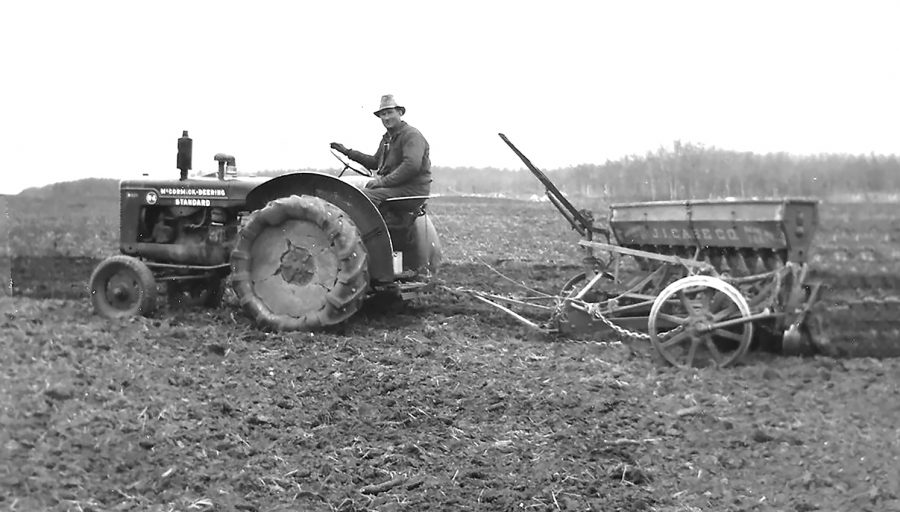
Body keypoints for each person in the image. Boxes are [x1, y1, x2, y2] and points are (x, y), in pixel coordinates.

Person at [330, 94, 431, 206]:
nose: (387, 118)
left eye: (390, 112)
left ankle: (358, 223)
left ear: (400, 113)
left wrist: (381, 182)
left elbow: (411, 166)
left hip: (412, 190)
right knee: (351, 190)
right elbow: (375, 162)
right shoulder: (387, 139)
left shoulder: (411, 135)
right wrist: (347, 152)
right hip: (396, 187)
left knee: (361, 196)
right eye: (383, 114)